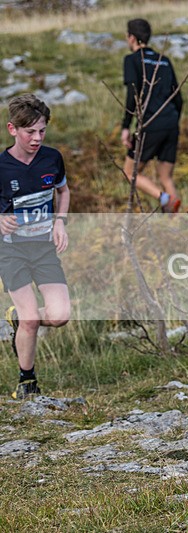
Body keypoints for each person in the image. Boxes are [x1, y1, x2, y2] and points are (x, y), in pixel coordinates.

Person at [0, 94, 71, 399]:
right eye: (30, 132)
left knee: (60, 315)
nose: (37, 138)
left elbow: (63, 192)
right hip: (11, 250)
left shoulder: (52, 158)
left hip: (43, 249)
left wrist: (60, 222)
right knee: (31, 320)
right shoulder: (2, 166)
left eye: (42, 130)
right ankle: (26, 382)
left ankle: (18, 318)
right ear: (12, 129)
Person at [121, 18, 182, 213]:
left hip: (150, 124)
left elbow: (132, 94)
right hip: (171, 122)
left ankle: (164, 199)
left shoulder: (131, 60)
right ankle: (177, 223)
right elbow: (178, 98)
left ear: (131, 38)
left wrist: (126, 126)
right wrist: (172, 121)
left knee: (129, 172)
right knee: (166, 177)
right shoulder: (164, 60)